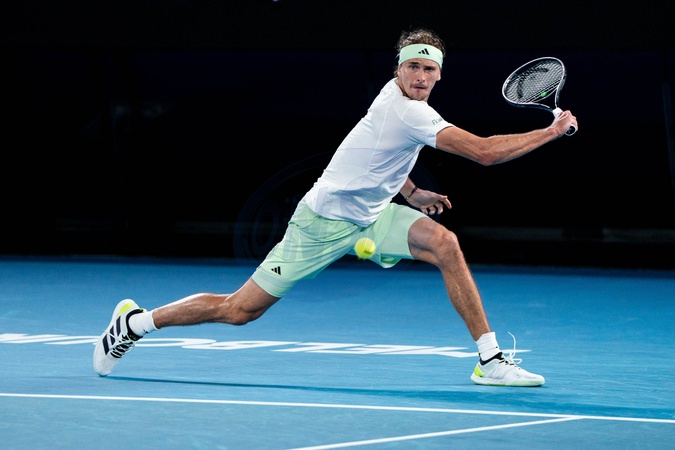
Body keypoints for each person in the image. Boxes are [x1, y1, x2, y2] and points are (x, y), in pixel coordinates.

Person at [94, 28, 577, 386]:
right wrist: (552, 132)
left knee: (445, 244)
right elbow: (485, 153)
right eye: (413, 67)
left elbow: (383, 154)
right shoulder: (407, 109)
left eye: (429, 69)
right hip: (320, 225)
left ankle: (490, 360)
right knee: (239, 310)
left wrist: (411, 193)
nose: (421, 76)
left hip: (373, 215)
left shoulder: (396, 100)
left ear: (439, 74)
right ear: (399, 70)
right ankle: (135, 323)